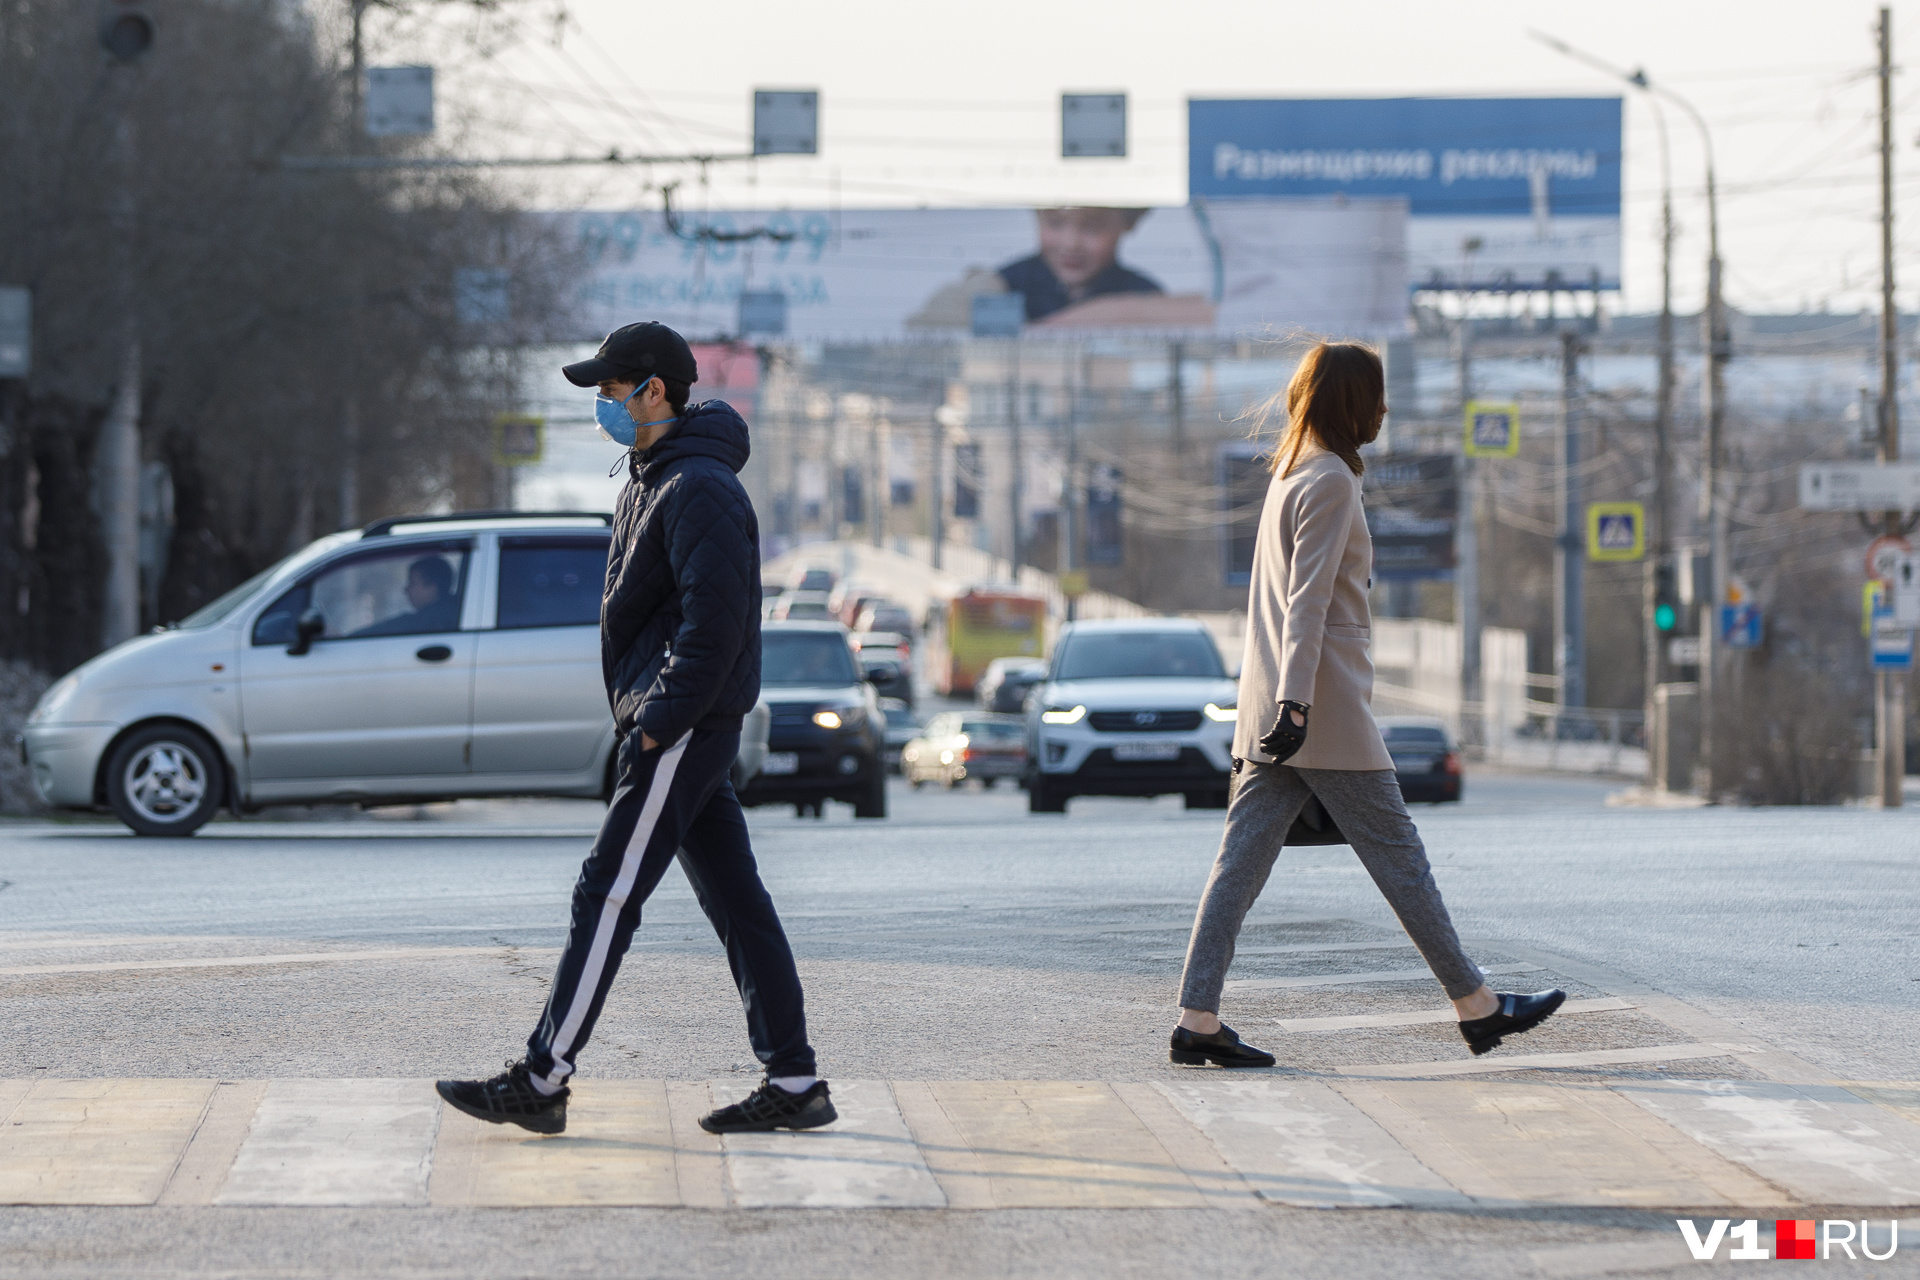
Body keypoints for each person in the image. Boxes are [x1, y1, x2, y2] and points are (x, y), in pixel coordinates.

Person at [437, 321, 834, 1135]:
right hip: (676, 723)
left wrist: (657, 723)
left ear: (656, 390)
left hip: (680, 725)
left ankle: (542, 1079)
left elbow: (715, 631)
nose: (604, 406)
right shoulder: (651, 478)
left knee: (606, 893)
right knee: (738, 904)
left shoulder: (699, 489)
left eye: (613, 390)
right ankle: (796, 1082)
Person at [1170, 341, 1565, 1068]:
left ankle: (1198, 1017)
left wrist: (1278, 707)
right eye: (1376, 397)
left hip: (1277, 709)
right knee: (1400, 858)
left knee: (1238, 868)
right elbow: (1307, 604)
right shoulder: (1328, 481)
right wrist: (1297, 704)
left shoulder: (1289, 473)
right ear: (1352, 403)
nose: (1384, 410)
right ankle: (1477, 1007)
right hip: (1319, 710)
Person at [997, 207, 1162, 322]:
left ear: (1128, 223)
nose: (1071, 244)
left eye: (1091, 227)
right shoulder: (1006, 286)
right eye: (1055, 223)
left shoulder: (1143, 294)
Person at [349, 556, 460, 638]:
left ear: (432, 588)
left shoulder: (431, 620)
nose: (406, 590)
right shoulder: (454, 612)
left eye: (412, 583)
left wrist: (348, 638)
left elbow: (390, 628)